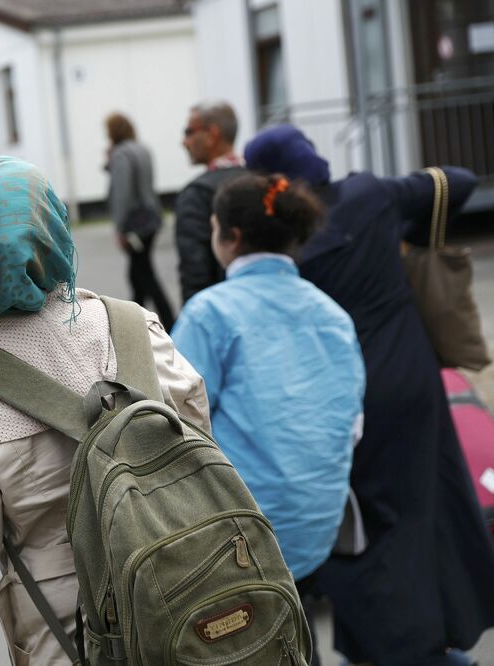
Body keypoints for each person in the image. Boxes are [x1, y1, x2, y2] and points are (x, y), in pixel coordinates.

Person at [0, 156, 210, 665]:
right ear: (55, 229)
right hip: (192, 605)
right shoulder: (133, 327)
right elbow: (198, 447)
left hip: (72, 638)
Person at [245, 124, 494, 666]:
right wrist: (412, 234)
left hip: (338, 394)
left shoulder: (284, 243)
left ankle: (394, 647)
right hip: (411, 379)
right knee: (433, 504)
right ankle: (446, 636)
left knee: (360, 525)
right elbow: (460, 180)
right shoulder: (370, 197)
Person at [171, 173, 366, 663]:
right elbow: (351, 423)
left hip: (248, 537)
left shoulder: (209, 313)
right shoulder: (334, 315)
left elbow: (171, 423)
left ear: (230, 238)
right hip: (318, 524)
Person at [104, 112, 176, 330]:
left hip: (135, 223)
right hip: (151, 217)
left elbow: (123, 193)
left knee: (144, 273)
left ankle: (168, 321)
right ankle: (137, 323)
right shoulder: (142, 149)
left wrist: (120, 227)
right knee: (138, 273)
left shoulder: (121, 155)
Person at [175, 101, 247, 302]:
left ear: (211, 134)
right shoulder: (261, 180)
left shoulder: (197, 194)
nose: (184, 142)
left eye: (189, 132)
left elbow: (194, 271)